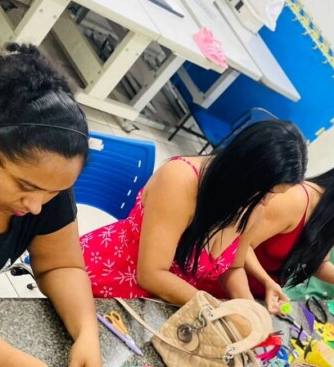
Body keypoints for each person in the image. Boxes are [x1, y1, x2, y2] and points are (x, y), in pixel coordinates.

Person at [0, 44, 101, 367]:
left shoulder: (44, 173)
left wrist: (86, 331)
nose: (37, 206)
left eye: (54, 192)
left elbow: (60, 264)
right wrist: (6, 362)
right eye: (26, 186)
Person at [80, 120, 308, 312]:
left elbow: (233, 268)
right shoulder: (181, 179)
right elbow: (151, 274)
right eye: (265, 191)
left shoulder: (253, 207)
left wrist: (250, 310)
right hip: (106, 284)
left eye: (275, 194)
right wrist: (217, 310)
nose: (266, 202)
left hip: (163, 302)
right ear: (243, 171)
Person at [222, 152, 334, 313]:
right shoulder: (297, 199)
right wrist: (264, 283)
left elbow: (318, 262)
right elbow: (237, 246)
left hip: (259, 297)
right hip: (227, 288)